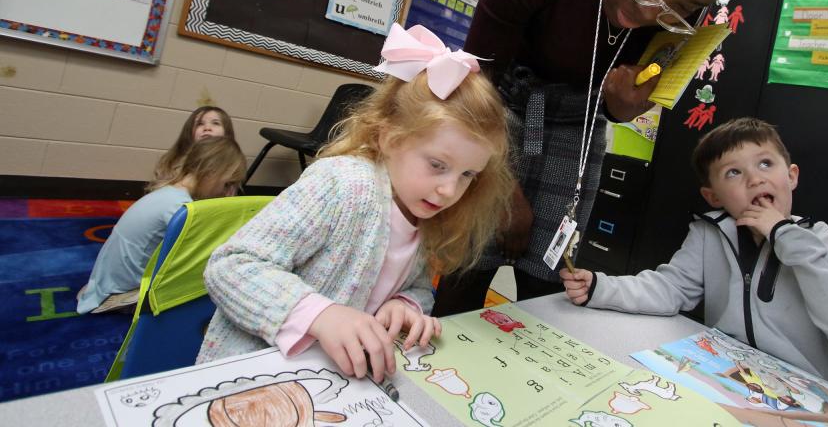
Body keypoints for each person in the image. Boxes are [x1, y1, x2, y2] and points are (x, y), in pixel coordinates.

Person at [432, 0, 783, 315]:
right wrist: (503, 192)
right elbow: (475, 87)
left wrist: (620, 110)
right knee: (469, 267)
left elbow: (622, 100)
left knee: (552, 284)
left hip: (577, 133)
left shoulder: (686, 15)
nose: (649, 10)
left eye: (683, 4)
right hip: (495, 115)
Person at [197, 24, 513, 385]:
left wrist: (404, 306)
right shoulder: (342, 184)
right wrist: (322, 315)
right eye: (438, 166)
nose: (449, 190)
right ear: (391, 139)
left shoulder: (424, 210)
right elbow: (231, 267)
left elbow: (418, 287)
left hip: (328, 382)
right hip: (251, 376)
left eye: (468, 174)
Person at [559, 118, 828, 384]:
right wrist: (602, 287)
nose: (754, 179)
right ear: (713, 196)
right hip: (724, 378)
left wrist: (784, 235)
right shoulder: (709, 233)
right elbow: (670, 289)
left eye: (765, 164)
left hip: (801, 396)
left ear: (791, 176)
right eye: (734, 172)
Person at [77, 137, 246, 314]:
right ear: (211, 172)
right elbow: (198, 256)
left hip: (105, 283)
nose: (225, 193)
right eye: (227, 184)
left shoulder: (169, 193)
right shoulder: (180, 208)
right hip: (119, 293)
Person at [151, 106, 235, 190]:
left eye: (216, 123)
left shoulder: (232, 164)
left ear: (227, 133)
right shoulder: (173, 162)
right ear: (189, 132)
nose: (207, 128)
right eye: (200, 124)